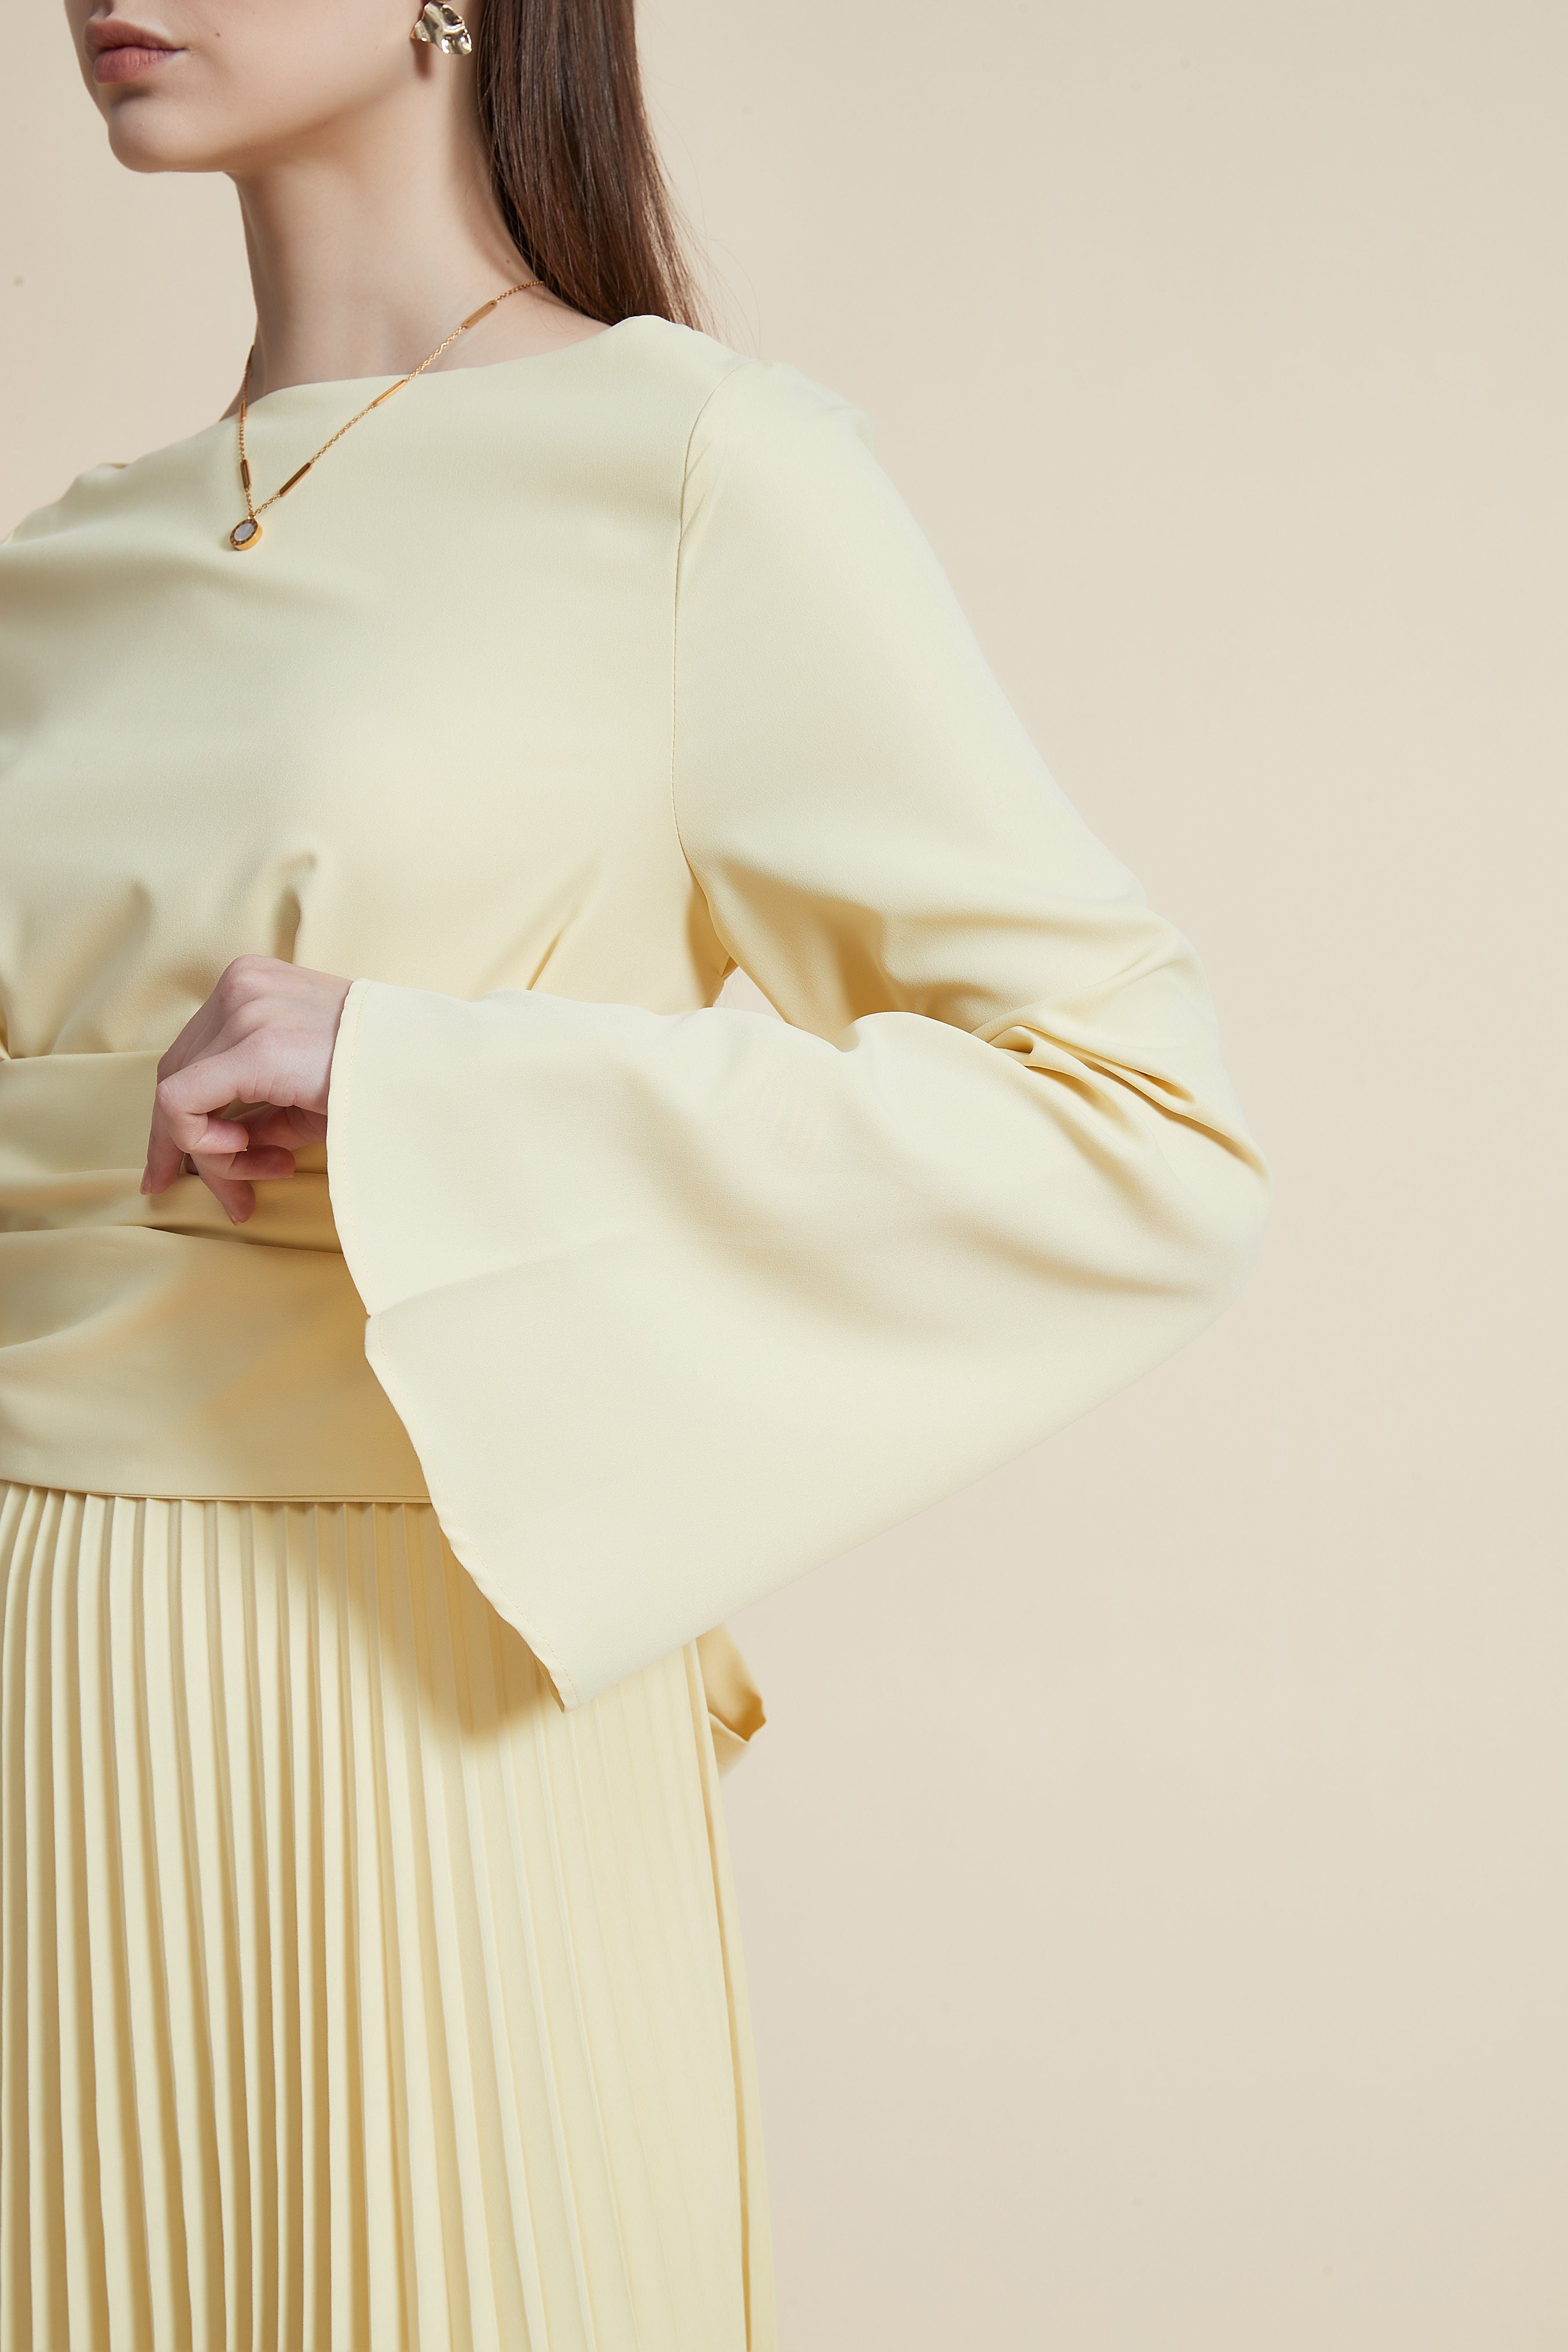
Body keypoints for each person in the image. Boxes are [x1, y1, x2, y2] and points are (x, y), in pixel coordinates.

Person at [0, 1, 1272, 2344]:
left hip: (427, 1724)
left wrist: (421, 1088)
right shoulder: (60, 565)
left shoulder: (696, 469)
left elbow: (1135, 1125)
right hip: (38, 1697)